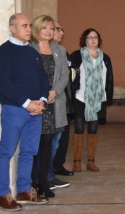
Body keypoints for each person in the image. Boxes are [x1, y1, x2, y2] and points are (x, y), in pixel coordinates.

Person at [0, 13, 49, 211]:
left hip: (35, 111)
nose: (28, 29)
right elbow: (4, 84)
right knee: (6, 152)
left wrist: (41, 101)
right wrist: (27, 104)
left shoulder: (32, 52)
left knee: (29, 151)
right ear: (13, 28)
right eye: (24, 26)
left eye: (29, 25)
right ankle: (2, 195)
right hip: (14, 110)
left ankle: (24, 190)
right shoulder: (2, 52)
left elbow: (43, 78)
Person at [29, 15, 69, 198]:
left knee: (47, 143)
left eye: (51, 28)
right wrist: (39, 95)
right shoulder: (28, 49)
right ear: (37, 29)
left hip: (53, 104)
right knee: (34, 144)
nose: (48, 31)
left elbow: (64, 76)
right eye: (45, 27)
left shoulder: (59, 50)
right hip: (35, 104)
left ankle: (44, 181)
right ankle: (33, 182)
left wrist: (55, 92)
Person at [71, 28, 114, 172]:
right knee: (78, 128)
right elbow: (71, 76)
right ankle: (76, 161)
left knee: (93, 130)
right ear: (85, 40)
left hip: (97, 99)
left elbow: (108, 79)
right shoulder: (77, 56)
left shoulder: (105, 58)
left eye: (95, 37)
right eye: (89, 37)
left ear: (99, 40)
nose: (93, 39)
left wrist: (108, 96)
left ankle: (91, 161)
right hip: (80, 97)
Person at [51, 21, 76, 178]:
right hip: (53, 100)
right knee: (52, 139)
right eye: (58, 29)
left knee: (63, 137)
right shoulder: (42, 51)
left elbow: (68, 75)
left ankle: (58, 165)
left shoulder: (63, 51)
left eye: (62, 29)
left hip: (65, 100)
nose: (62, 33)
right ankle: (49, 170)